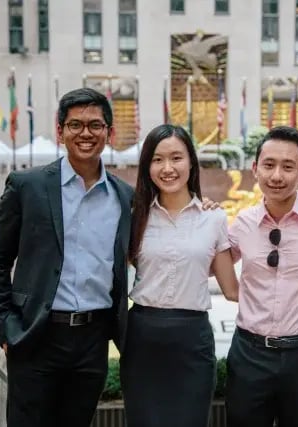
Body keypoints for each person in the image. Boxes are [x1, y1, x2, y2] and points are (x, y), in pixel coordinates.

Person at [0, 87, 134, 427]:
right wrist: (4, 328)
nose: (85, 133)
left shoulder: (124, 197)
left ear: (109, 132)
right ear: (60, 130)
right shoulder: (27, 186)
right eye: (75, 124)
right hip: (35, 335)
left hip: (92, 341)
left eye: (95, 125)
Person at [120, 124, 239, 427]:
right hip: (142, 336)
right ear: (147, 166)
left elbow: (232, 290)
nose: (167, 168)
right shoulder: (135, 216)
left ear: (191, 162)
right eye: (157, 159)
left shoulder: (214, 218)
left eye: (176, 158)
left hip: (192, 339)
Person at [226, 126, 298, 427]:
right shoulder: (241, 223)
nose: (277, 175)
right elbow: (212, 265)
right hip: (249, 353)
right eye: (269, 165)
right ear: (255, 169)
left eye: (288, 167)